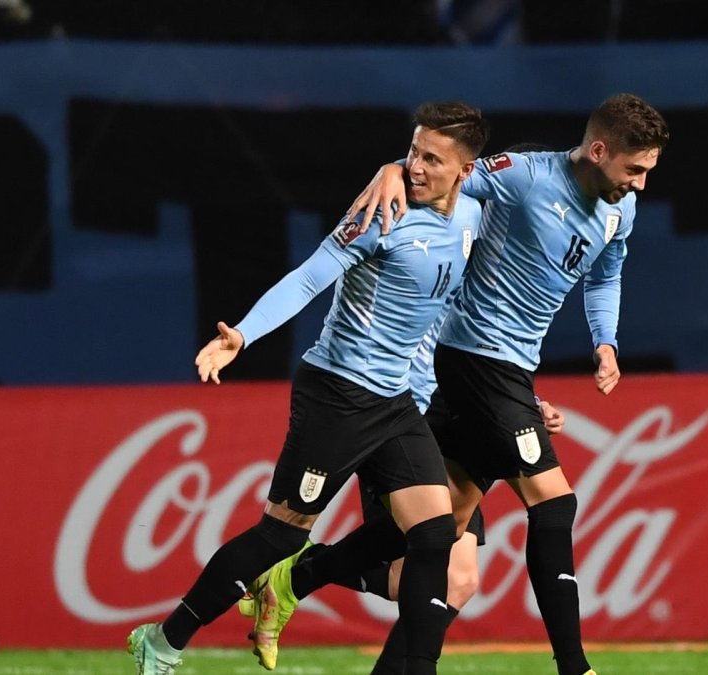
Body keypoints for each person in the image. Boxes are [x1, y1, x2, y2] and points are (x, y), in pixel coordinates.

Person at [126, 101, 491, 675]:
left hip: (396, 403)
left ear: (465, 171)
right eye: (412, 152)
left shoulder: (474, 212)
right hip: (339, 394)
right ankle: (165, 640)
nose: (414, 166)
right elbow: (310, 276)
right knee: (278, 536)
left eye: (431, 159)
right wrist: (242, 335)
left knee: (435, 532)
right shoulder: (381, 212)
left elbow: (541, 174)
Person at [332, 93, 667, 675]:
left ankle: (297, 573)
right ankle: (575, 667)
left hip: (507, 373)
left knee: (449, 568)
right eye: (634, 169)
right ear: (598, 149)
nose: (640, 184)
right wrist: (393, 168)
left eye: (648, 172)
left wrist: (604, 341)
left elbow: (606, 276)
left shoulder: (620, 211)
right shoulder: (524, 177)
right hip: (467, 360)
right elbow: (443, 175)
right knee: (554, 501)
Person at [237, 144, 564, 675]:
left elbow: (478, 347)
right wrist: (387, 168)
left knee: (456, 579)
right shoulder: (402, 226)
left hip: (448, 412)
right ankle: (293, 577)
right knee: (426, 574)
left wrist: (522, 401)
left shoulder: (473, 232)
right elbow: (316, 273)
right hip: (395, 412)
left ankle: (293, 578)